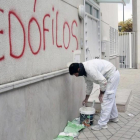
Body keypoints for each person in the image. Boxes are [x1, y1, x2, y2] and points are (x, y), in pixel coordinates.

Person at [69, 59, 120, 131]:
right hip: (109, 76)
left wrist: (101, 93)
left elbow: (103, 81)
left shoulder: (89, 69)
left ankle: (102, 124)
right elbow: (89, 86)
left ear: (78, 69)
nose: (76, 76)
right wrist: (86, 99)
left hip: (112, 76)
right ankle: (114, 117)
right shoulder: (84, 72)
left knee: (106, 99)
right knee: (110, 98)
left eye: (75, 74)